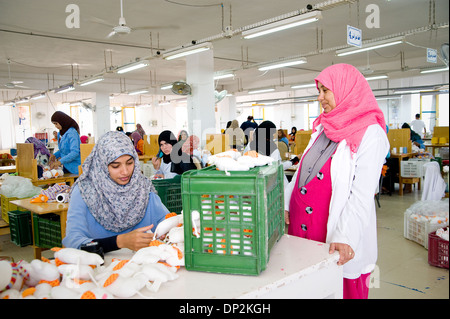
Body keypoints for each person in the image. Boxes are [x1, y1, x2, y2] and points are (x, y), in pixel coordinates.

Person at [284, 64, 389, 299]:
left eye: (325, 90)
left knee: (336, 290)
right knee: (305, 288)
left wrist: (345, 236)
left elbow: (361, 193)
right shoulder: (324, 126)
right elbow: (304, 168)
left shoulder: (370, 134)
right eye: (319, 90)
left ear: (345, 90)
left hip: (334, 235)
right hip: (302, 233)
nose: (319, 97)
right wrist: (288, 203)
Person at [62, 131, 168, 252]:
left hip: (143, 266)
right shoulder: (85, 191)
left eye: (130, 163)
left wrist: (168, 233)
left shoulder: (143, 187)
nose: (125, 172)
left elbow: (167, 221)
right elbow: (73, 242)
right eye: (115, 166)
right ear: (102, 164)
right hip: (100, 268)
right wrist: (119, 241)